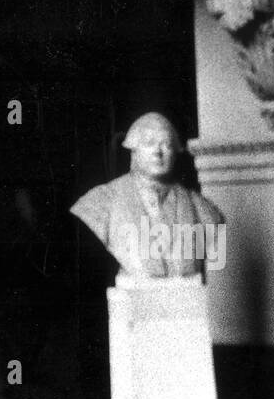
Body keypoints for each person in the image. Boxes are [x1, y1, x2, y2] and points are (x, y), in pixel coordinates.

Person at [70, 112, 223, 279]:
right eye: (149, 143)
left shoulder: (203, 210)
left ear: (176, 152)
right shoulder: (101, 202)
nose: (158, 152)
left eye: (167, 144)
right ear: (134, 151)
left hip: (187, 295)